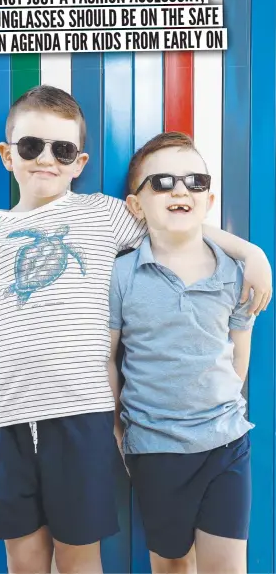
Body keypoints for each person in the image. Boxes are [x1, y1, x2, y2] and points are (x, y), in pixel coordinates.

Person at [0, 88, 270, 574]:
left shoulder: (102, 215)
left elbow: (173, 220)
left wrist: (251, 253)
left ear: (79, 162)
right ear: (7, 153)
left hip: (82, 416)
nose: (45, 159)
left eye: (61, 150)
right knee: (23, 555)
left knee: (80, 555)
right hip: (3, 420)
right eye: (31, 146)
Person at [108, 131, 259, 574]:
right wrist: (118, 431)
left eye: (195, 181)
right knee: (171, 563)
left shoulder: (237, 273)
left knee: (227, 567)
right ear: (136, 205)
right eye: (162, 182)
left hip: (226, 442)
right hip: (154, 447)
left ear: (209, 200)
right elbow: (108, 358)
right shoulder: (122, 274)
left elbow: (238, 354)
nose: (180, 190)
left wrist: (222, 405)